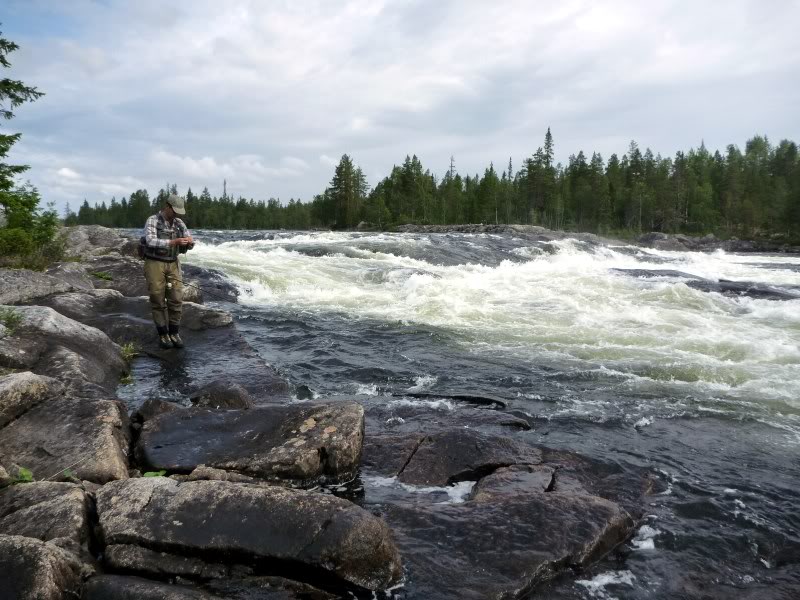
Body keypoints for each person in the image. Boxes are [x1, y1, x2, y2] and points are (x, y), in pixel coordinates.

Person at [142, 194, 194, 349]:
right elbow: (150, 241)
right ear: (167, 206)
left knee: (177, 298)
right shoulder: (152, 220)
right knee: (157, 299)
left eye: (179, 211)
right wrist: (173, 242)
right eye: (174, 211)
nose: (177, 214)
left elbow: (188, 238)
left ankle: (174, 332)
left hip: (173, 263)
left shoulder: (179, 223)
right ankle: (163, 334)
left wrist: (190, 243)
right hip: (154, 263)